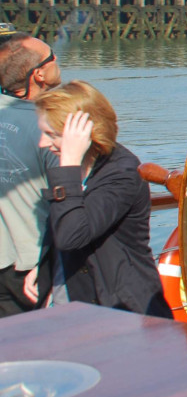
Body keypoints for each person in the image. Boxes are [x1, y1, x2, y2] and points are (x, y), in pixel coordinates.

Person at [34, 80, 171, 317]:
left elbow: (71, 235)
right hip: (69, 299)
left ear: (83, 135)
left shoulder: (122, 173)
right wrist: (43, 268)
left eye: (51, 134)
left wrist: (67, 165)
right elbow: (57, 221)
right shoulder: (72, 165)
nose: (42, 143)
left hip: (119, 309)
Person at [0, 28, 61, 317]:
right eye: (51, 57)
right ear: (38, 75)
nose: (57, 58)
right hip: (29, 267)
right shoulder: (47, 126)